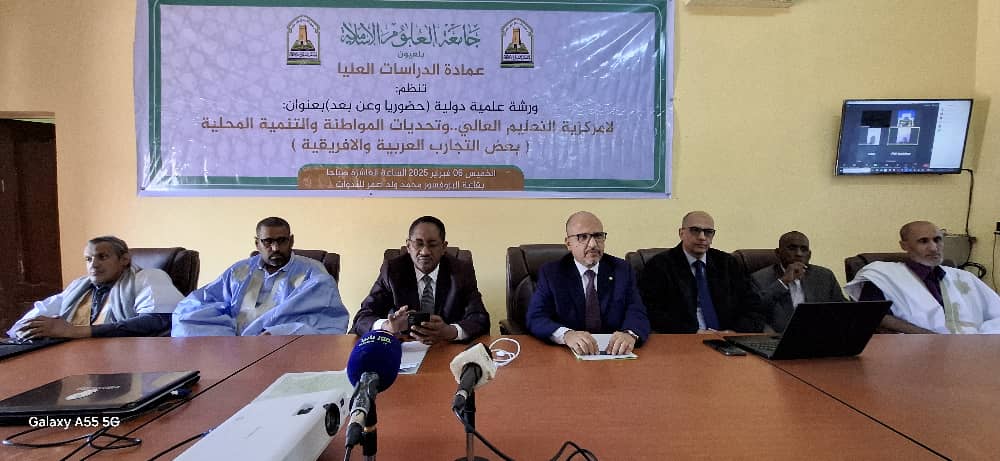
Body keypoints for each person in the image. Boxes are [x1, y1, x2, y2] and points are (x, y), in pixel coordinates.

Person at [172, 217, 348, 336]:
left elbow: (324, 321)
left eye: (282, 241)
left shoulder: (313, 273)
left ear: (291, 241)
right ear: (257, 243)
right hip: (232, 343)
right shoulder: (240, 270)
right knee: (185, 318)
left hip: (278, 344)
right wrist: (227, 334)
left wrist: (278, 333)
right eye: (268, 242)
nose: (275, 248)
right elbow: (203, 301)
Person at [8, 236, 183, 339]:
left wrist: (76, 331)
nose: (94, 265)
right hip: (76, 357)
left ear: (124, 260)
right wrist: (22, 331)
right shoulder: (80, 287)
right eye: (88, 259)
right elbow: (42, 311)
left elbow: (158, 321)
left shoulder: (147, 277)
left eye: (102, 257)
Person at [526, 212, 650, 355]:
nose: (593, 244)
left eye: (598, 236)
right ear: (568, 243)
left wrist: (630, 334)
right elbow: (536, 317)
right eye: (583, 237)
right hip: (567, 355)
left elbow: (637, 311)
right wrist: (566, 335)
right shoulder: (552, 273)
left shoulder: (622, 269)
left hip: (614, 353)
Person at [351, 216, 490, 344]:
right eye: (418, 244)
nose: (425, 252)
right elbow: (363, 317)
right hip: (403, 348)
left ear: (443, 247)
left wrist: (449, 331)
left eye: (432, 245)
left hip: (445, 347)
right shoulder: (392, 271)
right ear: (408, 246)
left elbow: (479, 318)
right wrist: (387, 326)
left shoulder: (461, 272)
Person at [846, 220, 1000, 334]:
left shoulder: (963, 277)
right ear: (904, 245)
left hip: (974, 349)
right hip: (916, 350)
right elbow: (872, 315)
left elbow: (996, 314)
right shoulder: (883, 275)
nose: (933, 248)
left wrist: (982, 338)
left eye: (937, 240)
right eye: (923, 241)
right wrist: (929, 337)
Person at [639, 211, 767, 333]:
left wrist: (733, 332)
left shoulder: (727, 263)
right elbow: (652, 311)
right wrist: (693, 332)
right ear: (681, 233)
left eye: (708, 232)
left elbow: (753, 306)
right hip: (685, 337)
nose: (702, 237)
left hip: (727, 337)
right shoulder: (659, 265)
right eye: (695, 230)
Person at [750, 231, 846, 333]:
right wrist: (783, 282)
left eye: (804, 249)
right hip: (780, 337)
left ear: (809, 255)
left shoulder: (824, 276)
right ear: (778, 253)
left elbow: (842, 309)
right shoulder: (759, 278)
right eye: (792, 248)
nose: (798, 254)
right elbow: (753, 311)